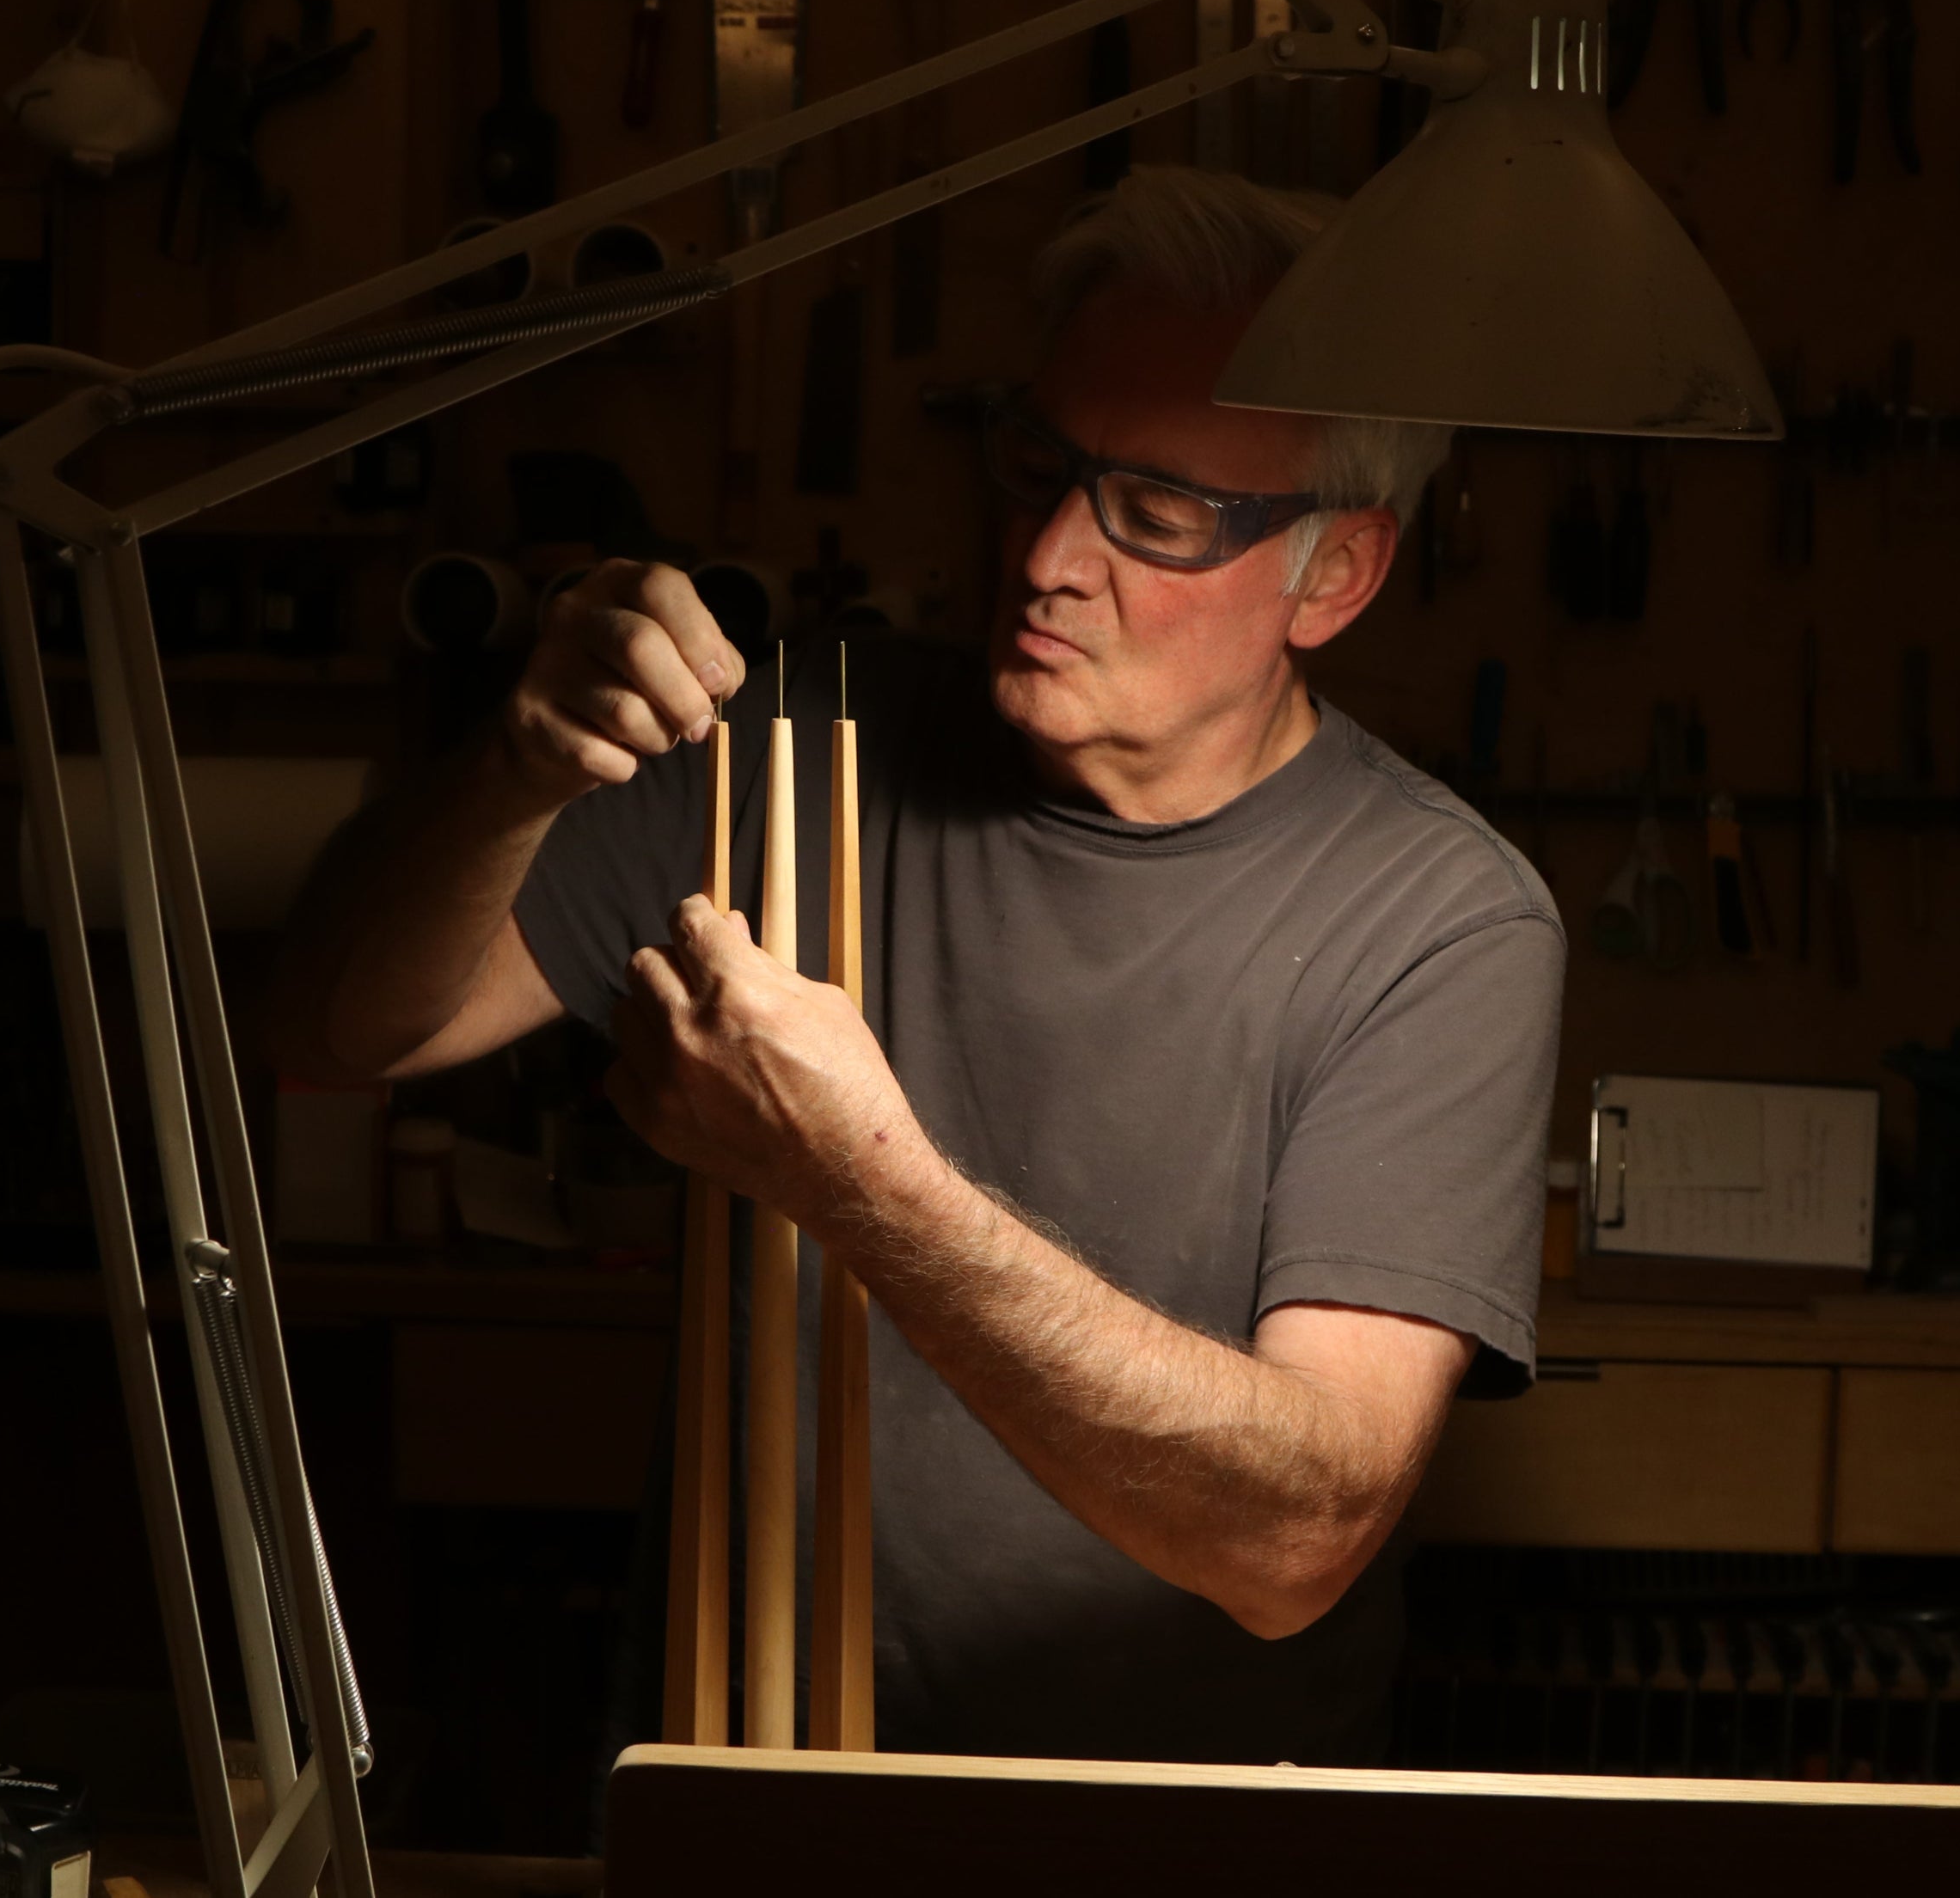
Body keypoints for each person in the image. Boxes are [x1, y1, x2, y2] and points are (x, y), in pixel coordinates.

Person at [267, 167, 1564, 1766]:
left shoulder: (1438, 922)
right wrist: (518, 768)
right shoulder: (788, 749)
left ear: (1335, 575)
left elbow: (1292, 1539)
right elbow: (327, 1032)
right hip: (752, 1800)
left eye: (1152, 512)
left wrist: (857, 1174)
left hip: (1175, 1848)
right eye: (1034, 466)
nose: (1045, 557)